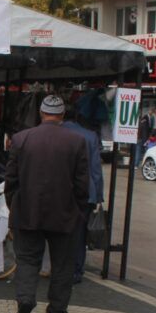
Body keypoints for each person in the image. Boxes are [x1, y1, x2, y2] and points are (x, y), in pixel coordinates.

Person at [4, 95, 89, 313]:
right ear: (62, 115)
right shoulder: (76, 141)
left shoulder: (21, 139)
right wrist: (79, 210)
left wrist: (15, 204)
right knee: (63, 264)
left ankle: (25, 299)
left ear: (41, 114)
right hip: (64, 213)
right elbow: (82, 184)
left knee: (27, 260)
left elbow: (11, 179)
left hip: (27, 211)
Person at [62, 105, 104, 284]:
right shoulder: (90, 136)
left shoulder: (56, 133)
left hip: (59, 191)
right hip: (85, 192)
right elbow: (96, 170)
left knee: (58, 232)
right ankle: (76, 270)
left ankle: (58, 267)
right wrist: (98, 196)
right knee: (79, 235)